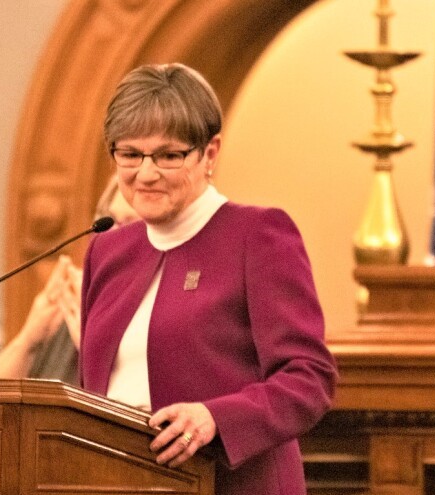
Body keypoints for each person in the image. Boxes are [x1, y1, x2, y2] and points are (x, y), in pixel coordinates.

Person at [79, 63, 338, 494]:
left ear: (210, 154)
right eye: (130, 154)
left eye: (168, 155)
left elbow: (309, 377)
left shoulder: (258, 236)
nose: (146, 173)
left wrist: (215, 418)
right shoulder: (108, 250)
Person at [0, 177, 140, 383]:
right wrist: (28, 339)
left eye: (129, 224)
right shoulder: (74, 307)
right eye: (111, 221)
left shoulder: (151, 319)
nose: (111, 235)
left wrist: (95, 348)